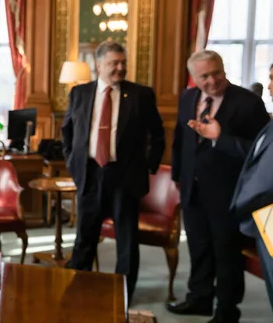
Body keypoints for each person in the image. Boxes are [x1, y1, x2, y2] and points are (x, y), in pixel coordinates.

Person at [168, 50, 270, 323]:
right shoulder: (188, 97)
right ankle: (199, 298)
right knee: (198, 248)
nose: (213, 80)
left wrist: (221, 138)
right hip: (192, 188)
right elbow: (180, 141)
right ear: (194, 77)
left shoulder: (248, 103)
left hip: (229, 192)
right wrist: (178, 177)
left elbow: (259, 152)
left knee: (226, 254)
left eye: (217, 72)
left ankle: (226, 311)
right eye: (205, 76)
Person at [61, 41, 165, 302]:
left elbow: (158, 135)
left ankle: (124, 292)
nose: (120, 68)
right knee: (85, 235)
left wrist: (147, 167)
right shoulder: (80, 93)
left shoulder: (141, 94)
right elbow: (68, 131)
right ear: (98, 65)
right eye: (113, 63)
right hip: (90, 173)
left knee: (127, 240)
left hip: (125, 177)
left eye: (123, 63)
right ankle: (79, 285)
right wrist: (73, 162)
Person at [200, 63, 273, 313]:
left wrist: (241, 204)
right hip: (262, 219)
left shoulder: (248, 104)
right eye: (270, 79)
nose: (270, 87)